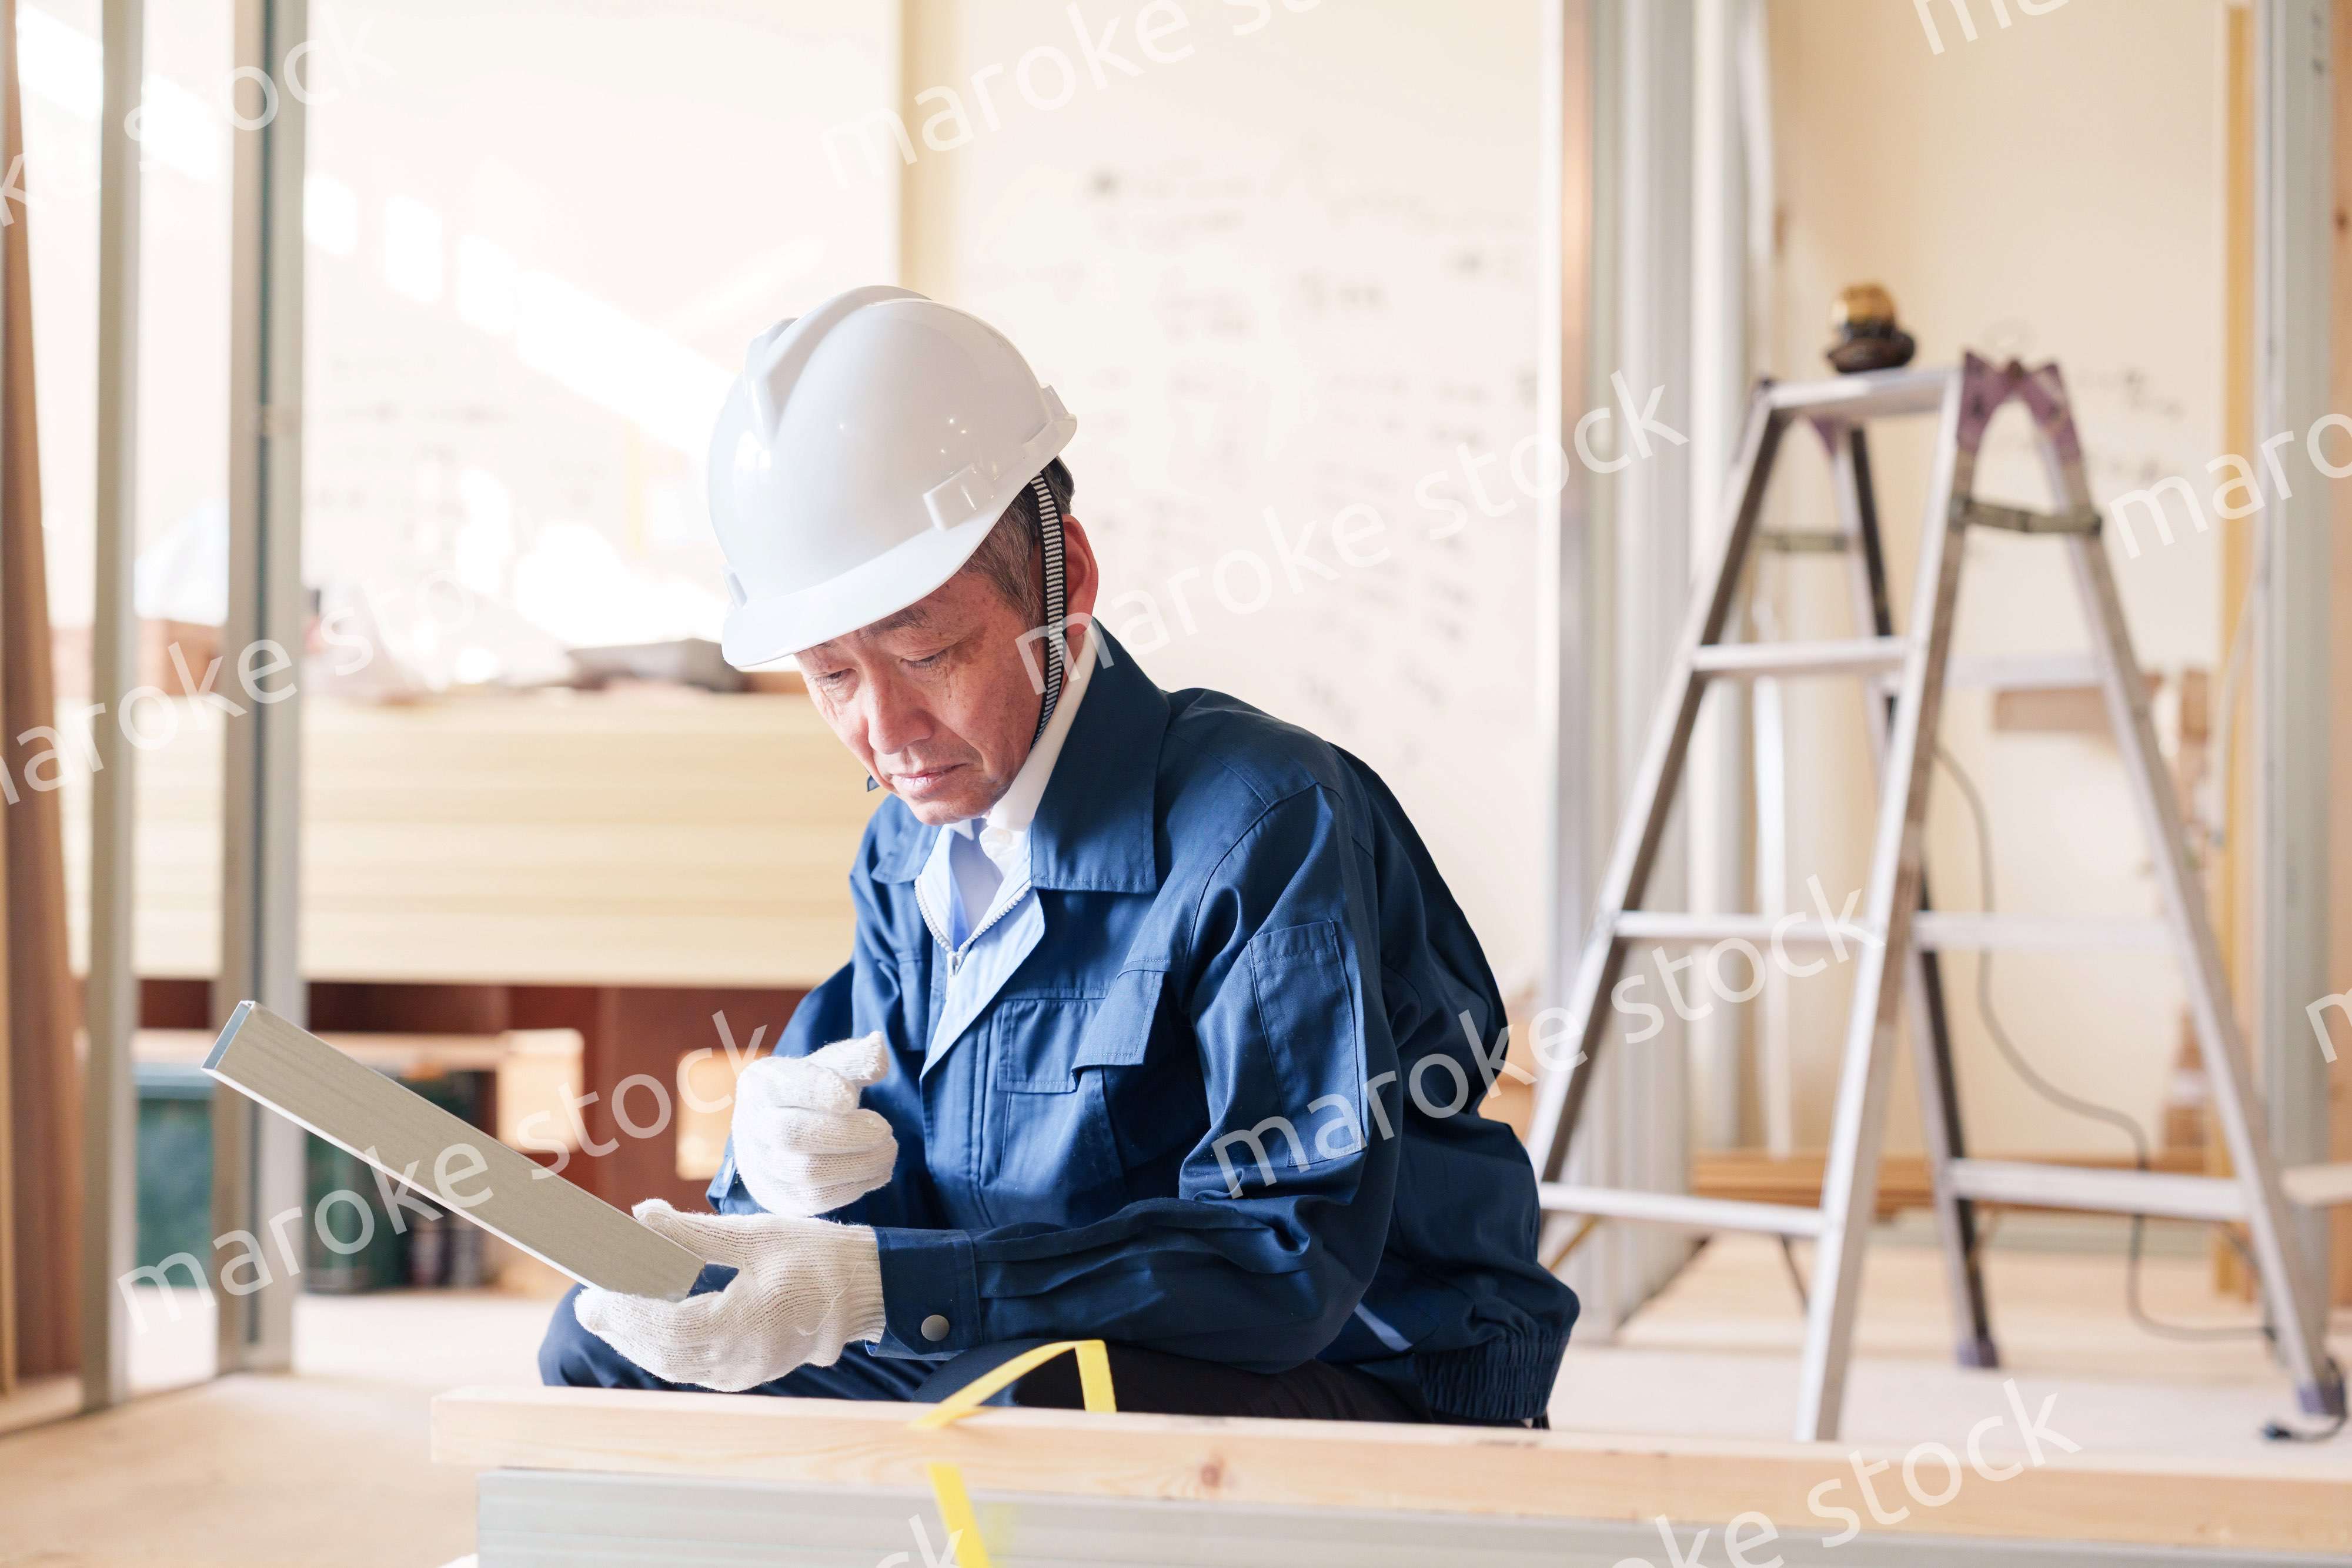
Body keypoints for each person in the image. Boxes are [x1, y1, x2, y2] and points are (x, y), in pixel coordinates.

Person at [538, 285, 1575, 1425]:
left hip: (1357, 1356)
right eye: (830, 675)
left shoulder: (1264, 820)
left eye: (925, 653)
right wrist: (783, 1180)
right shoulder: (905, 848)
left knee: (1027, 1406)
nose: (883, 735)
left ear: (1062, 579)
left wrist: (874, 1282)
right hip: (1038, 1328)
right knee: (609, 1335)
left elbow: (1286, 1257)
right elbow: (915, 1199)